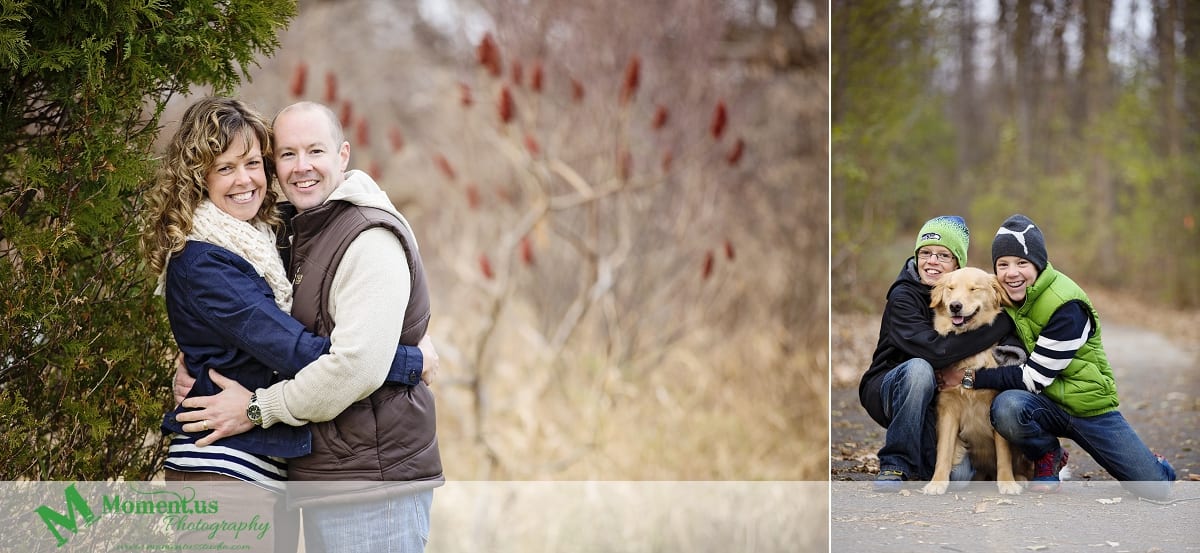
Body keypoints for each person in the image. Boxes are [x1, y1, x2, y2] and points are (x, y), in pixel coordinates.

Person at [142, 97, 434, 552]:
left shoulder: (267, 241)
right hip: (223, 472)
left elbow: (327, 331)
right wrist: (410, 361)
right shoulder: (207, 263)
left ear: (342, 155)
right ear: (198, 177)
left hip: (272, 471)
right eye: (225, 168)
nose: (244, 180)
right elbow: (300, 351)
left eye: (253, 163)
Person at [938, 214, 1176, 499]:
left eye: (1021, 263)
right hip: (1044, 406)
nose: (1012, 272)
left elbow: (1033, 378)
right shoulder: (1006, 299)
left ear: (1038, 263)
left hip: (1087, 409)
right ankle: (1047, 452)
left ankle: (1151, 464)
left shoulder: (1067, 305)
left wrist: (966, 377)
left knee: (1155, 488)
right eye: (1003, 264)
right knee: (1007, 405)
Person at [858, 215, 1017, 492]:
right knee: (919, 369)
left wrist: (1001, 320)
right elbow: (936, 350)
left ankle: (926, 460)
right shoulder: (902, 296)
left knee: (960, 478)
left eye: (942, 255)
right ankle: (895, 463)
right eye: (925, 253)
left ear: (957, 263)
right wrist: (999, 324)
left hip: (931, 395)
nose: (932, 261)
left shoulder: (960, 293)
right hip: (892, 386)